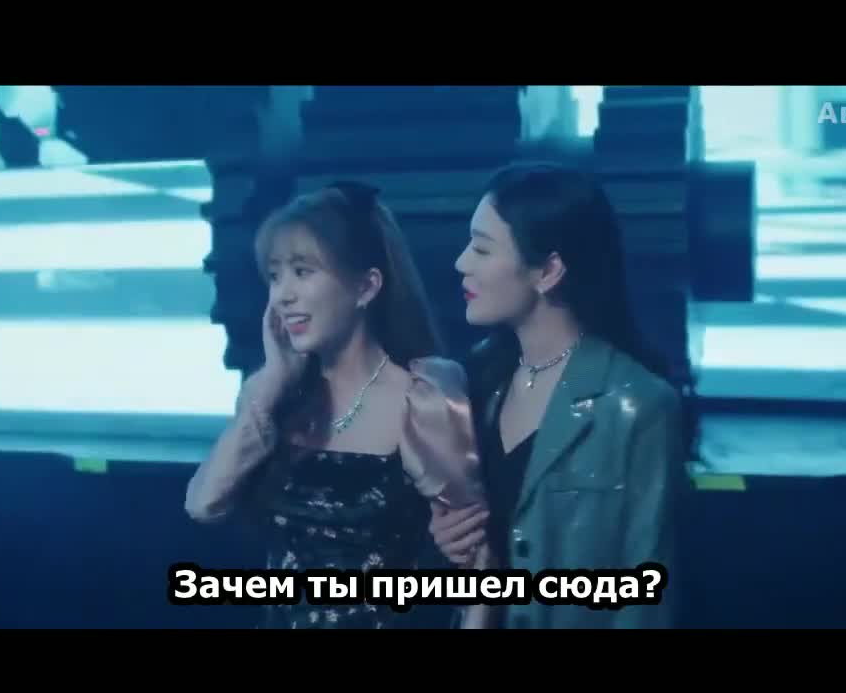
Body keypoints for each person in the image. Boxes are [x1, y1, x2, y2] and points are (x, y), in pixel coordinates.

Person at [185, 181, 488, 629]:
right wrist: (273, 381)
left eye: (302, 272)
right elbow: (204, 504)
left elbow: (478, 564)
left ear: (366, 286)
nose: (282, 295)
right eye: (275, 276)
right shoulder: (274, 396)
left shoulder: (424, 398)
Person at [431, 161, 690, 629]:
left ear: (549, 270)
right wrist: (448, 539)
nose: (461, 262)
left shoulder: (637, 405)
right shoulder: (478, 382)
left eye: (482, 248)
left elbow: (646, 594)